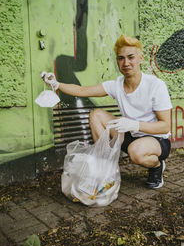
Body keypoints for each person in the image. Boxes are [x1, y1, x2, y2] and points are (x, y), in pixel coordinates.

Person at [41, 35, 172, 189]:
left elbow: (165, 126)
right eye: (121, 58)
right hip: (130, 134)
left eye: (131, 57)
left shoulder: (155, 85)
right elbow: (82, 90)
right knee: (96, 115)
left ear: (140, 58)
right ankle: (104, 167)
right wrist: (56, 84)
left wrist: (134, 124)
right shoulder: (116, 85)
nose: (126, 63)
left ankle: (156, 166)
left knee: (136, 152)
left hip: (156, 140)